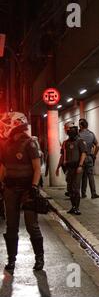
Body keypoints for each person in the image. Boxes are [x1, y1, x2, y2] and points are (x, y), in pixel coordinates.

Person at [0, 112, 45, 273]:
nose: (3, 127)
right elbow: (3, 167)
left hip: (27, 190)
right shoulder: (5, 145)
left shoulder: (30, 144)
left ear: (16, 124)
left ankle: (39, 258)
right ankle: (11, 260)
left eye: (6, 124)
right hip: (10, 190)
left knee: (31, 225)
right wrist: (1, 184)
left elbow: (37, 168)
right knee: (11, 226)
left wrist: (33, 187)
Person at [56, 122, 87, 216]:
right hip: (69, 168)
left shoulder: (80, 141)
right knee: (70, 189)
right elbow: (62, 155)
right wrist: (58, 167)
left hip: (77, 167)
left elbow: (83, 153)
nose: (67, 131)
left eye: (68, 129)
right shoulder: (65, 143)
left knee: (75, 188)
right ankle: (73, 207)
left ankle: (77, 208)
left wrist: (80, 166)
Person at [78, 118, 99, 199]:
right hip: (90, 157)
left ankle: (83, 193)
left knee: (83, 176)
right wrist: (94, 155)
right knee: (90, 176)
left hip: (81, 158)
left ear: (80, 126)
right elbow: (97, 146)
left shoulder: (78, 135)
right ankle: (93, 193)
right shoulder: (91, 134)